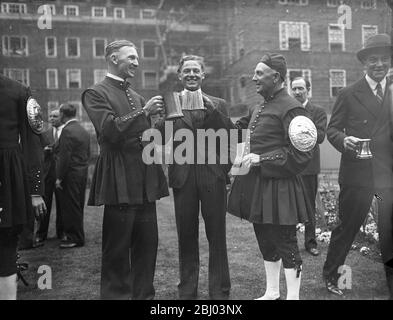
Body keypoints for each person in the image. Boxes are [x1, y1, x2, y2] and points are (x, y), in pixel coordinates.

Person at [81, 40, 169, 300]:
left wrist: (161, 123)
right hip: (119, 178)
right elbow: (109, 130)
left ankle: (144, 298)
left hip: (144, 180)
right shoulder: (94, 93)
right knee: (117, 249)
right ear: (112, 58)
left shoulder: (137, 95)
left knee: (147, 246)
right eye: (131, 57)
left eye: (137, 58)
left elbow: (146, 138)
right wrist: (144, 112)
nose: (137, 63)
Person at [228, 53, 315, 300]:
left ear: (275, 76)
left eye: (259, 73)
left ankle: (293, 297)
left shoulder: (292, 108)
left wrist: (261, 159)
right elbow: (238, 131)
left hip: (281, 187)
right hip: (259, 187)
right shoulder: (258, 106)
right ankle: (273, 292)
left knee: (286, 243)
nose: (253, 78)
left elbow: (301, 155)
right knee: (265, 240)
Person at [155, 55, 232, 300]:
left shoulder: (218, 103)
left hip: (212, 177)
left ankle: (219, 291)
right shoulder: (171, 102)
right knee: (186, 235)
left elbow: (231, 136)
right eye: (186, 70)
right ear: (179, 76)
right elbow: (158, 137)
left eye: (195, 70)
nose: (191, 74)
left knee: (217, 234)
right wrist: (159, 118)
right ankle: (187, 291)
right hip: (183, 178)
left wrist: (213, 111)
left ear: (202, 75)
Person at [323, 34, 393, 299]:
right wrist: (344, 140)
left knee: (389, 232)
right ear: (364, 63)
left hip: (387, 174)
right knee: (347, 227)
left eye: (384, 59)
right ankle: (332, 276)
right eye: (373, 59)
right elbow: (332, 129)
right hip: (357, 173)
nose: (379, 64)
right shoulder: (349, 93)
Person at [0, 74, 46, 299]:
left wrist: (35, 190)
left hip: (6, 176)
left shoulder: (18, 91)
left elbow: (32, 142)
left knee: (5, 247)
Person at [290, 77, 327, 256]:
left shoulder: (317, 111)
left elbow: (320, 136)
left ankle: (310, 243)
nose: (297, 92)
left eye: (300, 89)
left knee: (309, 206)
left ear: (308, 90)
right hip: (288, 165)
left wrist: (300, 130)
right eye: (294, 89)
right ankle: (289, 244)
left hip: (309, 166)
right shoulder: (287, 111)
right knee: (288, 204)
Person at [55, 103, 90, 249]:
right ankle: (76, 236)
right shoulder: (82, 130)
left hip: (71, 174)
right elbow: (87, 153)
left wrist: (59, 178)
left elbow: (65, 157)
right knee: (78, 205)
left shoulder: (67, 131)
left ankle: (75, 238)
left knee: (71, 206)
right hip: (82, 172)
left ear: (63, 114)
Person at [36, 109, 64, 244]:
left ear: (62, 117)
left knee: (62, 205)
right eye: (51, 116)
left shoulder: (66, 133)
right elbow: (36, 153)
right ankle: (41, 234)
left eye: (55, 116)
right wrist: (44, 151)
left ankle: (61, 233)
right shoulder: (44, 134)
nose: (52, 118)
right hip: (47, 175)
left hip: (60, 175)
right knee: (44, 205)